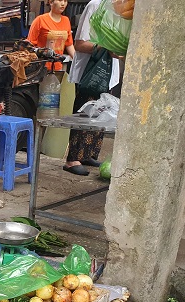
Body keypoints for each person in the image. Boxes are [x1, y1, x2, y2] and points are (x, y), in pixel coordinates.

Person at [63, 0, 120, 175]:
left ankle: (87, 155)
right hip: (90, 73)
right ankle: (72, 159)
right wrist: (106, 47)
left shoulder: (120, 10)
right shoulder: (96, 5)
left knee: (100, 113)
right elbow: (80, 43)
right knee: (83, 114)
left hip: (108, 73)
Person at [26, 0, 75, 71]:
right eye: (60, 0)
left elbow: (69, 44)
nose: (63, 4)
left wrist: (77, 61)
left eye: (65, 1)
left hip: (58, 66)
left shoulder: (66, 20)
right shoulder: (40, 20)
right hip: (40, 68)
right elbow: (29, 46)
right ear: (51, 2)